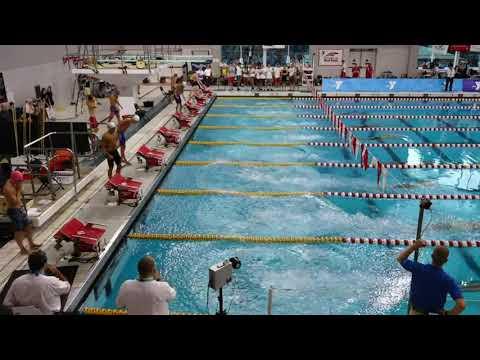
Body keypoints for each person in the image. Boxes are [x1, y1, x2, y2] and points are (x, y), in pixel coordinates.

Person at [397, 241, 466, 315]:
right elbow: (461, 305)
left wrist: (414, 246)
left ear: (432, 256)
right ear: (446, 261)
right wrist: (447, 314)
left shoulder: (419, 269)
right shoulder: (448, 280)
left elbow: (400, 258)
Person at [3, 250, 70, 314]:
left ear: (29, 264)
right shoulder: (51, 281)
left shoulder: (17, 281)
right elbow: (67, 287)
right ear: (45, 264)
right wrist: (58, 272)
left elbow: (7, 303)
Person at [2, 171, 40, 254]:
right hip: (13, 211)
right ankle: (22, 249)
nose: (21, 183)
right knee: (19, 230)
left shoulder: (13, 181)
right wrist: (19, 189)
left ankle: (31, 244)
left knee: (28, 225)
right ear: (15, 180)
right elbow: (15, 201)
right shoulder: (8, 189)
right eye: (19, 182)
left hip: (20, 208)